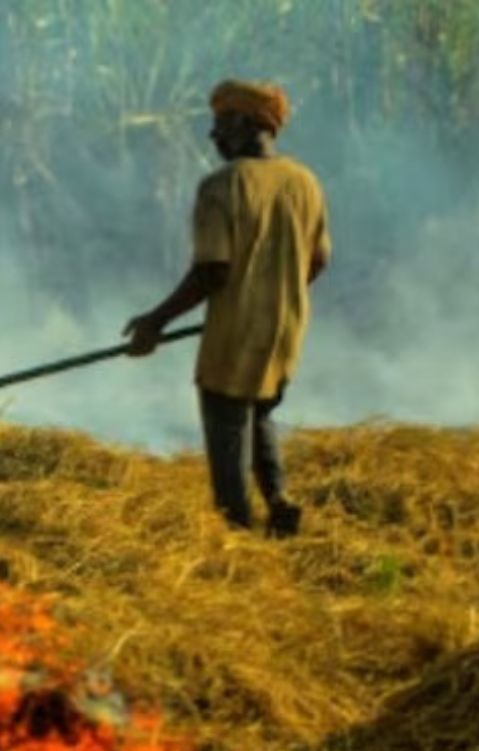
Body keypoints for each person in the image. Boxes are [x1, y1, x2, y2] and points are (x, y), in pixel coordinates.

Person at [125, 78, 330, 538]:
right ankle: (278, 499)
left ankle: (236, 527)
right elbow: (317, 259)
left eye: (220, 124)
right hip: (286, 331)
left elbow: (212, 271)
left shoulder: (223, 186)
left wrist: (154, 323)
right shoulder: (305, 183)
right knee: (260, 409)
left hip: (235, 334)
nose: (214, 135)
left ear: (245, 123)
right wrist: (276, 293)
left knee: (226, 423)